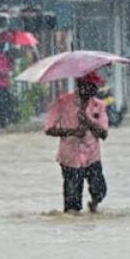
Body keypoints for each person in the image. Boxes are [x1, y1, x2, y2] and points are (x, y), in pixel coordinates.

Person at [44, 73, 109, 213]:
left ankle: (93, 205)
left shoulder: (98, 105)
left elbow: (104, 134)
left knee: (99, 191)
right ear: (81, 85)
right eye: (91, 86)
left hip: (92, 156)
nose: (95, 90)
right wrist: (71, 132)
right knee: (72, 202)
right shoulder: (63, 102)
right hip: (70, 157)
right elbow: (49, 128)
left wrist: (89, 122)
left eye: (95, 86)